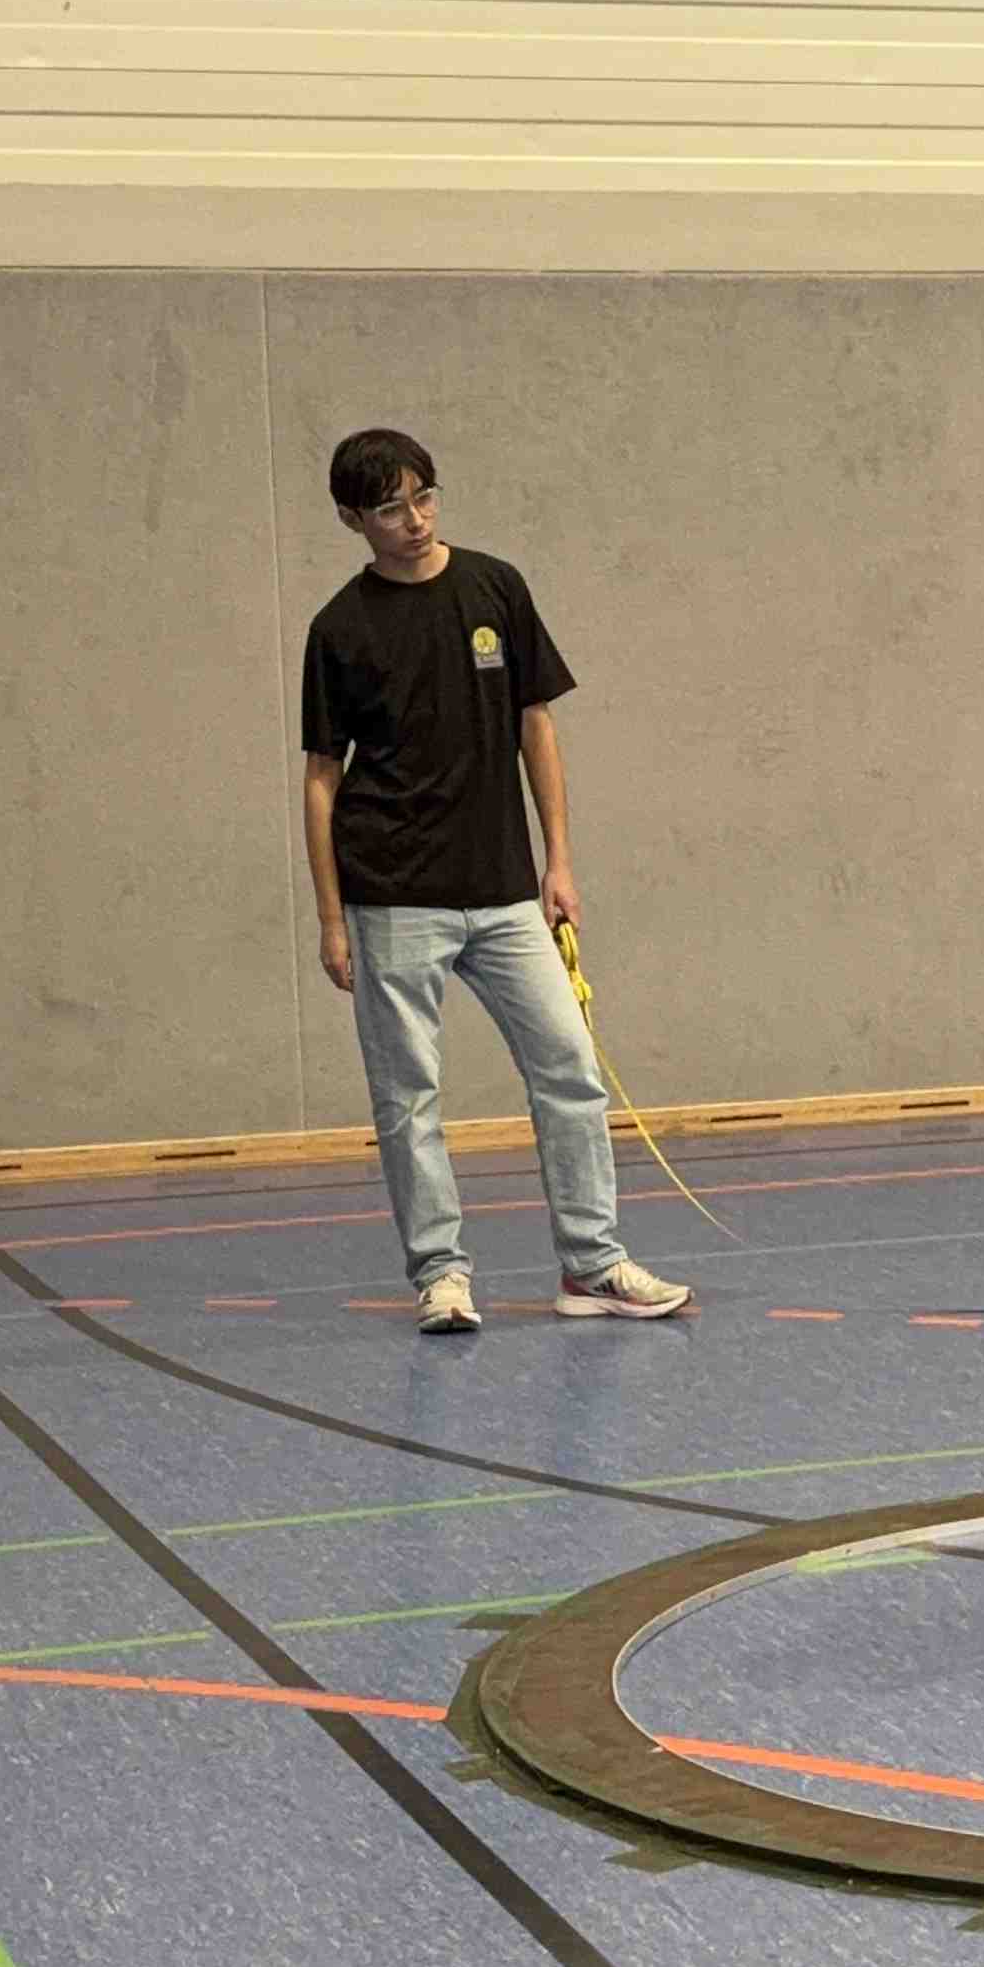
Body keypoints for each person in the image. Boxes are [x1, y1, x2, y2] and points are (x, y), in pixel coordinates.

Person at [300, 426, 687, 1336]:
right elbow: (321, 778)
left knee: (569, 1068)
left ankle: (591, 1265)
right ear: (353, 520)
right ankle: (441, 1276)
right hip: (392, 895)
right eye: (390, 508)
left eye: (425, 497)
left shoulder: (494, 588)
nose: (415, 520)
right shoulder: (339, 629)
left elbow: (534, 725)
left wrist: (559, 861)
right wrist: (331, 918)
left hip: (506, 892)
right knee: (409, 1098)